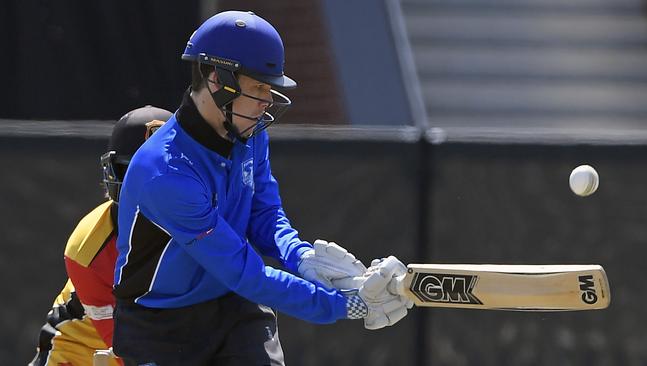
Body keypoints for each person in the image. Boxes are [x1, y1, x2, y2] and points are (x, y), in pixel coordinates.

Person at [112, 11, 412, 366]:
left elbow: (265, 215)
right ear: (216, 79)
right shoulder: (165, 172)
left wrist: (301, 258)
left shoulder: (250, 132)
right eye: (258, 88)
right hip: (160, 325)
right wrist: (342, 305)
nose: (267, 101)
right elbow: (245, 272)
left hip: (234, 307)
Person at [29, 106, 173, 366]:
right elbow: (126, 349)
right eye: (132, 171)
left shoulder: (209, 224)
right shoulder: (89, 248)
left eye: (160, 173)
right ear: (111, 172)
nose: (146, 187)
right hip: (81, 350)